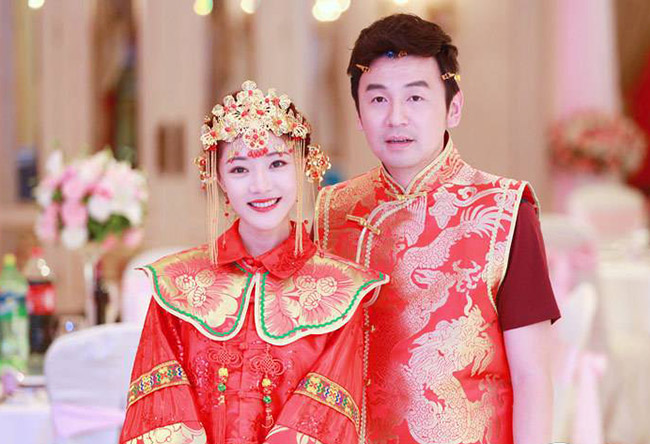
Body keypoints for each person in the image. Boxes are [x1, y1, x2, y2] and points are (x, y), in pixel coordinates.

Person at [315, 14, 560, 444]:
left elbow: (533, 377)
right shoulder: (330, 211)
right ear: (358, 114)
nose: (396, 118)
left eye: (415, 97)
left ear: (453, 107)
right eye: (378, 99)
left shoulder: (505, 212)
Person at [119, 80, 388, 444]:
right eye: (240, 169)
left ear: (304, 166)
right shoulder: (175, 286)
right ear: (218, 178)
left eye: (277, 163)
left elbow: (324, 421)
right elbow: (160, 411)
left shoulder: (341, 291)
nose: (260, 186)